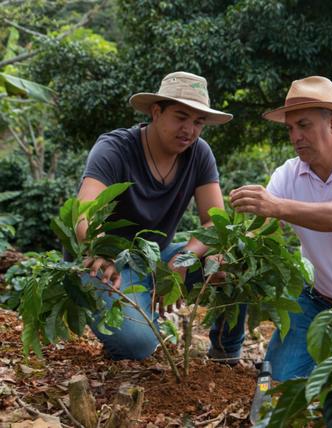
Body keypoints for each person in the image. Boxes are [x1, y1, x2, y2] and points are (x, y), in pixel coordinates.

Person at [230, 76, 332, 380]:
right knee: (277, 383)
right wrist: (231, 257)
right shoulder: (288, 175)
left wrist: (276, 206)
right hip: (316, 301)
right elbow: (258, 234)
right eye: (290, 129)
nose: (295, 137)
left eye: (304, 125)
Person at [77, 71, 245, 362]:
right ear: (156, 112)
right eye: (181, 117)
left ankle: (225, 353)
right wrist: (98, 250)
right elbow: (84, 215)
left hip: (160, 256)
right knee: (139, 344)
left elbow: (215, 224)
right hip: (110, 260)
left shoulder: (199, 154)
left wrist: (183, 260)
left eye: (198, 122)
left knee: (234, 262)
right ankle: (133, 328)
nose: (189, 130)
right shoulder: (115, 149)